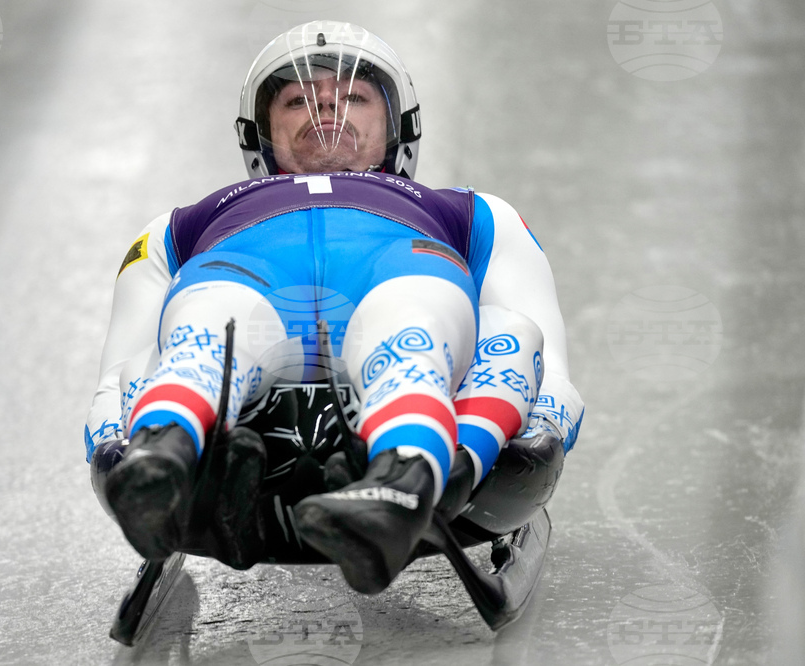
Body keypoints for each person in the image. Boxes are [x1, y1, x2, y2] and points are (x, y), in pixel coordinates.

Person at [84, 21, 584, 591]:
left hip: (401, 270)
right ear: (262, 134)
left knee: (433, 322)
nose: (327, 107)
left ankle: (406, 477)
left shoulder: (473, 214)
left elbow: (546, 361)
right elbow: (119, 369)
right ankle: (163, 458)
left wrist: (543, 430)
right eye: (299, 100)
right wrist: (110, 447)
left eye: (355, 97)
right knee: (207, 323)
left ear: (397, 127)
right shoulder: (178, 228)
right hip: (244, 294)